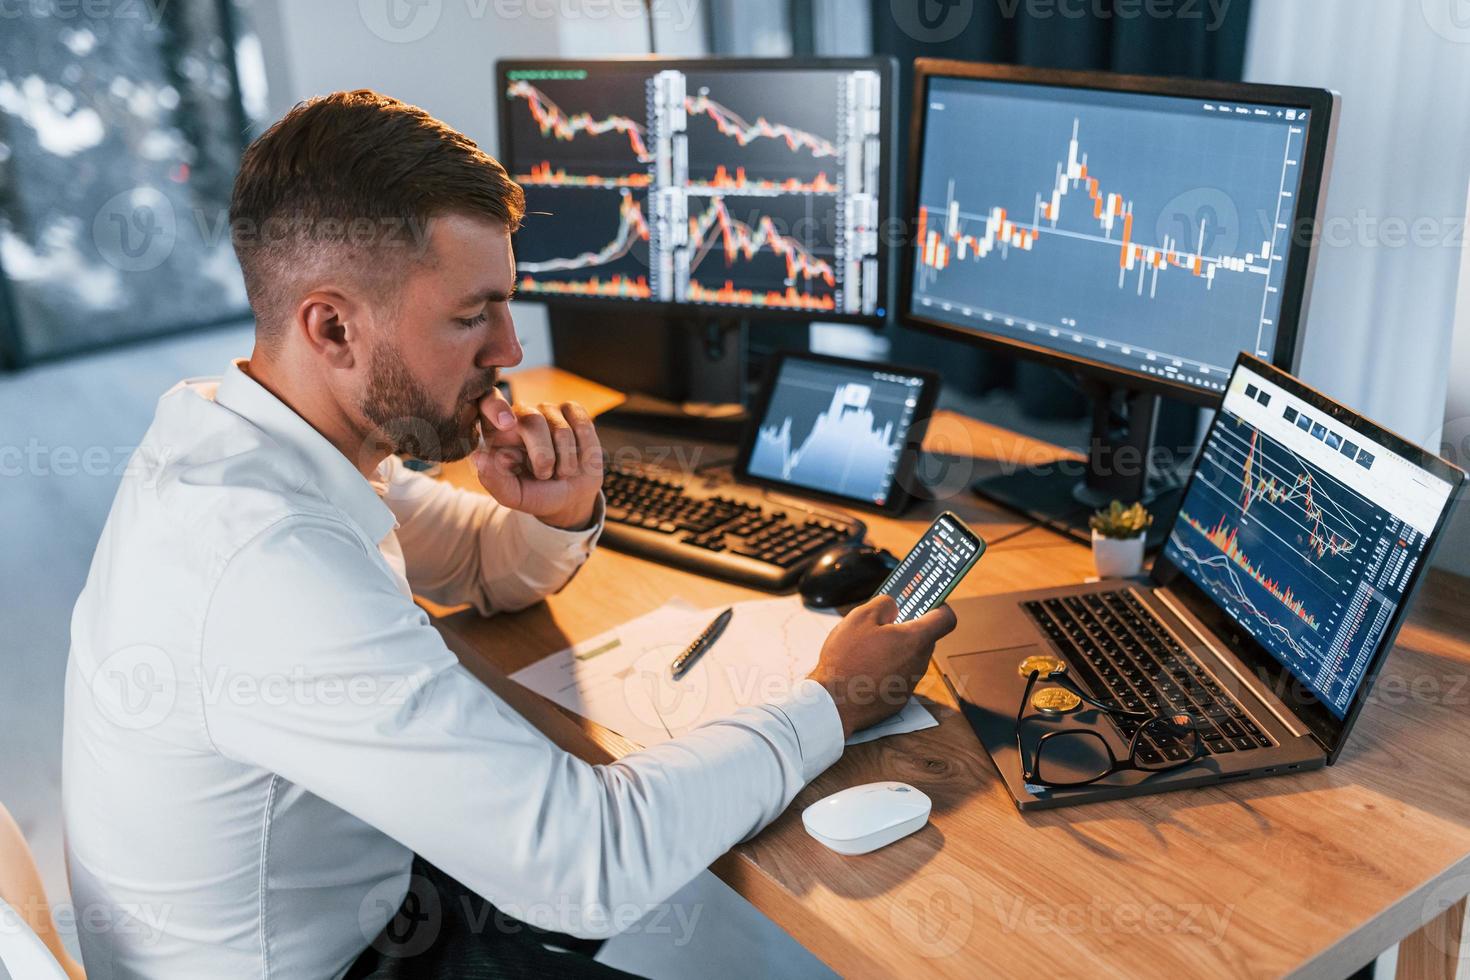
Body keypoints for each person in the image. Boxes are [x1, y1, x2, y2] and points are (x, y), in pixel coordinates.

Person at [61, 90, 957, 979]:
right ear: (331, 326)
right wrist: (832, 700)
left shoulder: (249, 434)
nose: (511, 349)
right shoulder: (265, 560)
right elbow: (588, 866)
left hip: (356, 900)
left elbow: (479, 566)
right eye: (470, 314)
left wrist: (555, 516)